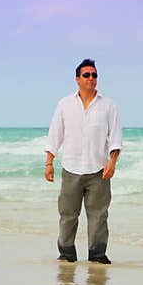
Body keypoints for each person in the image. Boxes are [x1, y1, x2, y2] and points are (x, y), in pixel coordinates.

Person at [44, 58, 123, 263]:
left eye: (94, 75)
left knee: (99, 216)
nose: (91, 78)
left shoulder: (108, 106)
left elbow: (115, 137)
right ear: (77, 79)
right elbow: (55, 134)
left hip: (99, 170)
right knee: (68, 214)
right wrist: (49, 162)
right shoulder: (65, 104)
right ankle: (66, 253)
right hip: (71, 169)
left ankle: (97, 255)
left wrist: (112, 162)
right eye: (86, 75)